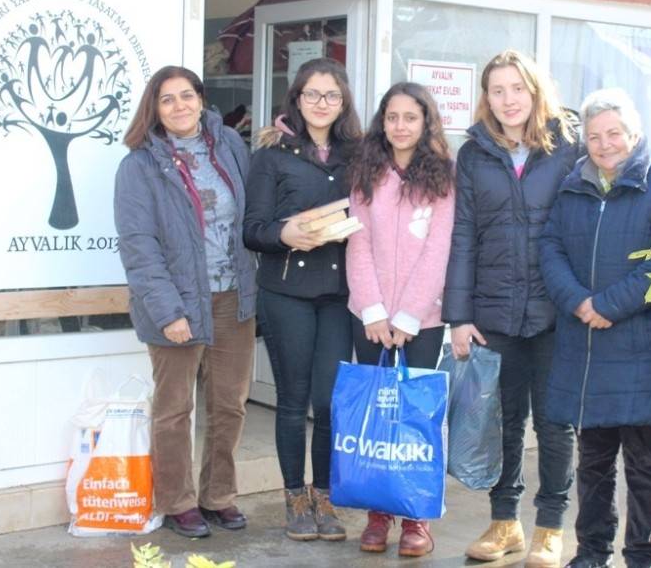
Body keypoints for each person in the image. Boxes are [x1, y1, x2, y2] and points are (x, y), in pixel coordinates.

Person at [539, 88, 651, 568]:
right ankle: (591, 552)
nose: (605, 145)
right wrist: (578, 302)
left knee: (644, 465)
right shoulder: (573, 185)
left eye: (614, 133)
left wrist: (609, 304)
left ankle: (642, 554)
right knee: (593, 462)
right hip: (588, 348)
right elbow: (550, 248)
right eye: (594, 136)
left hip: (645, 346)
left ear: (635, 133)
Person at [442, 49, 582, 568]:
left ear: (534, 90)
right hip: (495, 311)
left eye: (516, 89)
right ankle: (504, 523)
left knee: (553, 422)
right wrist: (458, 315)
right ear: (487, 98)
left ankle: (549, 527)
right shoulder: (474, 154)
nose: (508, 100)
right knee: (501, 422)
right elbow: (463, 236)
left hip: (554, 311)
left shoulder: (568, 147)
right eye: (497, 91)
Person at [114, 66, 257, 538]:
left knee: (229, 404)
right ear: (154, 109)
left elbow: (254, 211)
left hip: (233, 296)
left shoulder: (231, 147)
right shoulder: (139, 166)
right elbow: (139, 246)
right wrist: (168, 311)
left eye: (187, 96)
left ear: (201, 99)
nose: (180, 106)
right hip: (178, 301)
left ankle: (219, 496)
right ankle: (177, 502)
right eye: (167, 100)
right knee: (175, 409)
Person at [243, 57, 362, 542]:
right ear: (296, 98)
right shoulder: (272, 155)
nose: (321, 104)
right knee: (292, 401)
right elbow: (253, 229)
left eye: (331, 95)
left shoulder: (356, 154)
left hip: (337, 295)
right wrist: (285, 233)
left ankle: (325, 495)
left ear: (343, 101)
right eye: (312, 94)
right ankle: (295, 497)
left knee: (330, 402)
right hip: (287, 292)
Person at [345, 82, 456, 558]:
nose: (400, 126)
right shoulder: (368, 172)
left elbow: (439, 251)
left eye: (410, 117)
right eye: (392, 117)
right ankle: (376, 514)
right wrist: (372, 310)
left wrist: (409, 317)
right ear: (382, 121)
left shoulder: (444, 179)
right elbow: (358, 242)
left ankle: (415, 518)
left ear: (426, 122)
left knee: (414, 418)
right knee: (374, 416)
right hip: (369, 317)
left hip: (422, 320)